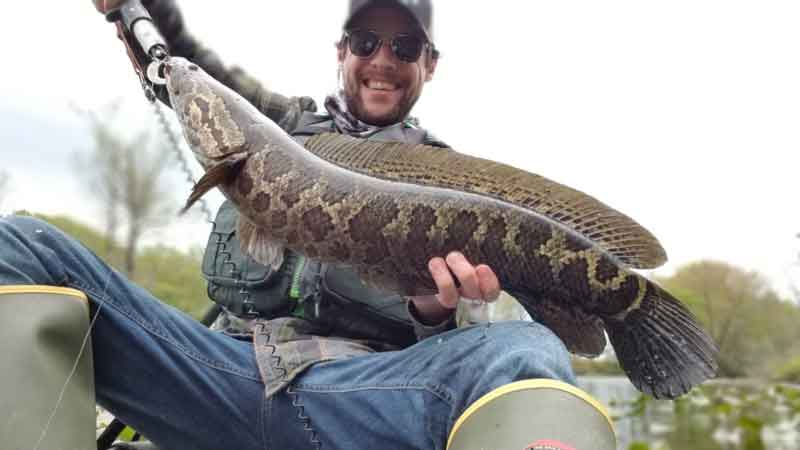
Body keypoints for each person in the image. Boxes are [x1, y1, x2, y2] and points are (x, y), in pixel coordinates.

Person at [0, 1, 596, 449]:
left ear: (429, 64)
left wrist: (434, 308)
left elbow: (461, 350)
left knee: (526, 349)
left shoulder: (448, 183)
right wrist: (138, 10)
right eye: (367, 41)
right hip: (214, 372)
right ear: (342, 51)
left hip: (362, 398)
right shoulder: (278, 125)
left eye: (406, 47)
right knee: (23, 244)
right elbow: (187, 64)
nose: (383, 60)